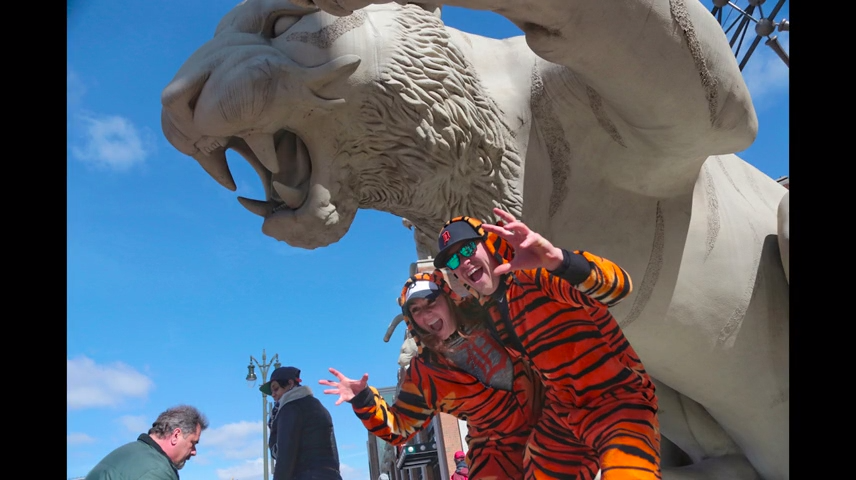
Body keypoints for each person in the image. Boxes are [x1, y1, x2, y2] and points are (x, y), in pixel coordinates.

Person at [432, 208, 660, 480]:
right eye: (454, 261)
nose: (464, 262)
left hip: (616, 402)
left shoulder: (536, 274)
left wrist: (557, 260)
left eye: (468, 248)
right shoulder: (489, 308)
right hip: (563, 414)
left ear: (489, 243)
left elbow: (618, 286)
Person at [319, 269, 549, 480]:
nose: (426, 312)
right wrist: (364, 400)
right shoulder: (425, 373)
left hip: (553, 423)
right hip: (497, 455)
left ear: (448, 299)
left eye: (431, 301)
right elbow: (399, 427)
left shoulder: (487, 317)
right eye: (416, 309)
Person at [260, 366, 343, 480]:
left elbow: (285, 456)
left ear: (290, 384)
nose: (273, 394)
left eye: (276, 388)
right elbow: (333, 452)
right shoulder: (318, 407)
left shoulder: (290, 407)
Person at [85, 405, 208, 480]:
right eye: (193, 443)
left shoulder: (129, 452)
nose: (194, 452)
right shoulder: (156, 471)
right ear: (176, 435)